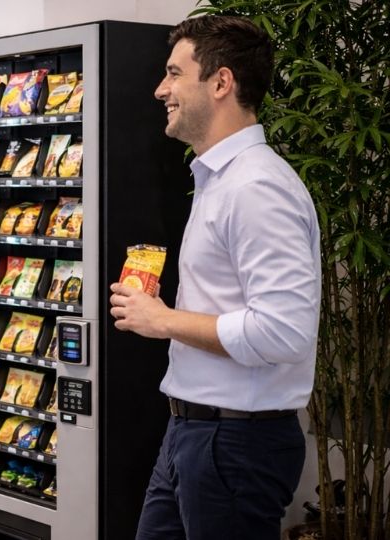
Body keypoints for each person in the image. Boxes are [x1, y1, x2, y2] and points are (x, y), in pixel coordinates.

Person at [109, 15, 321, 540]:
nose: (161, 89)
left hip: (234, 445)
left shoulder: (256, 187)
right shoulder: (218, 180)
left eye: (174, 73)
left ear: (221, 82)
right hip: (194, 433)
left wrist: (164, 320)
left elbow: (283, 333)